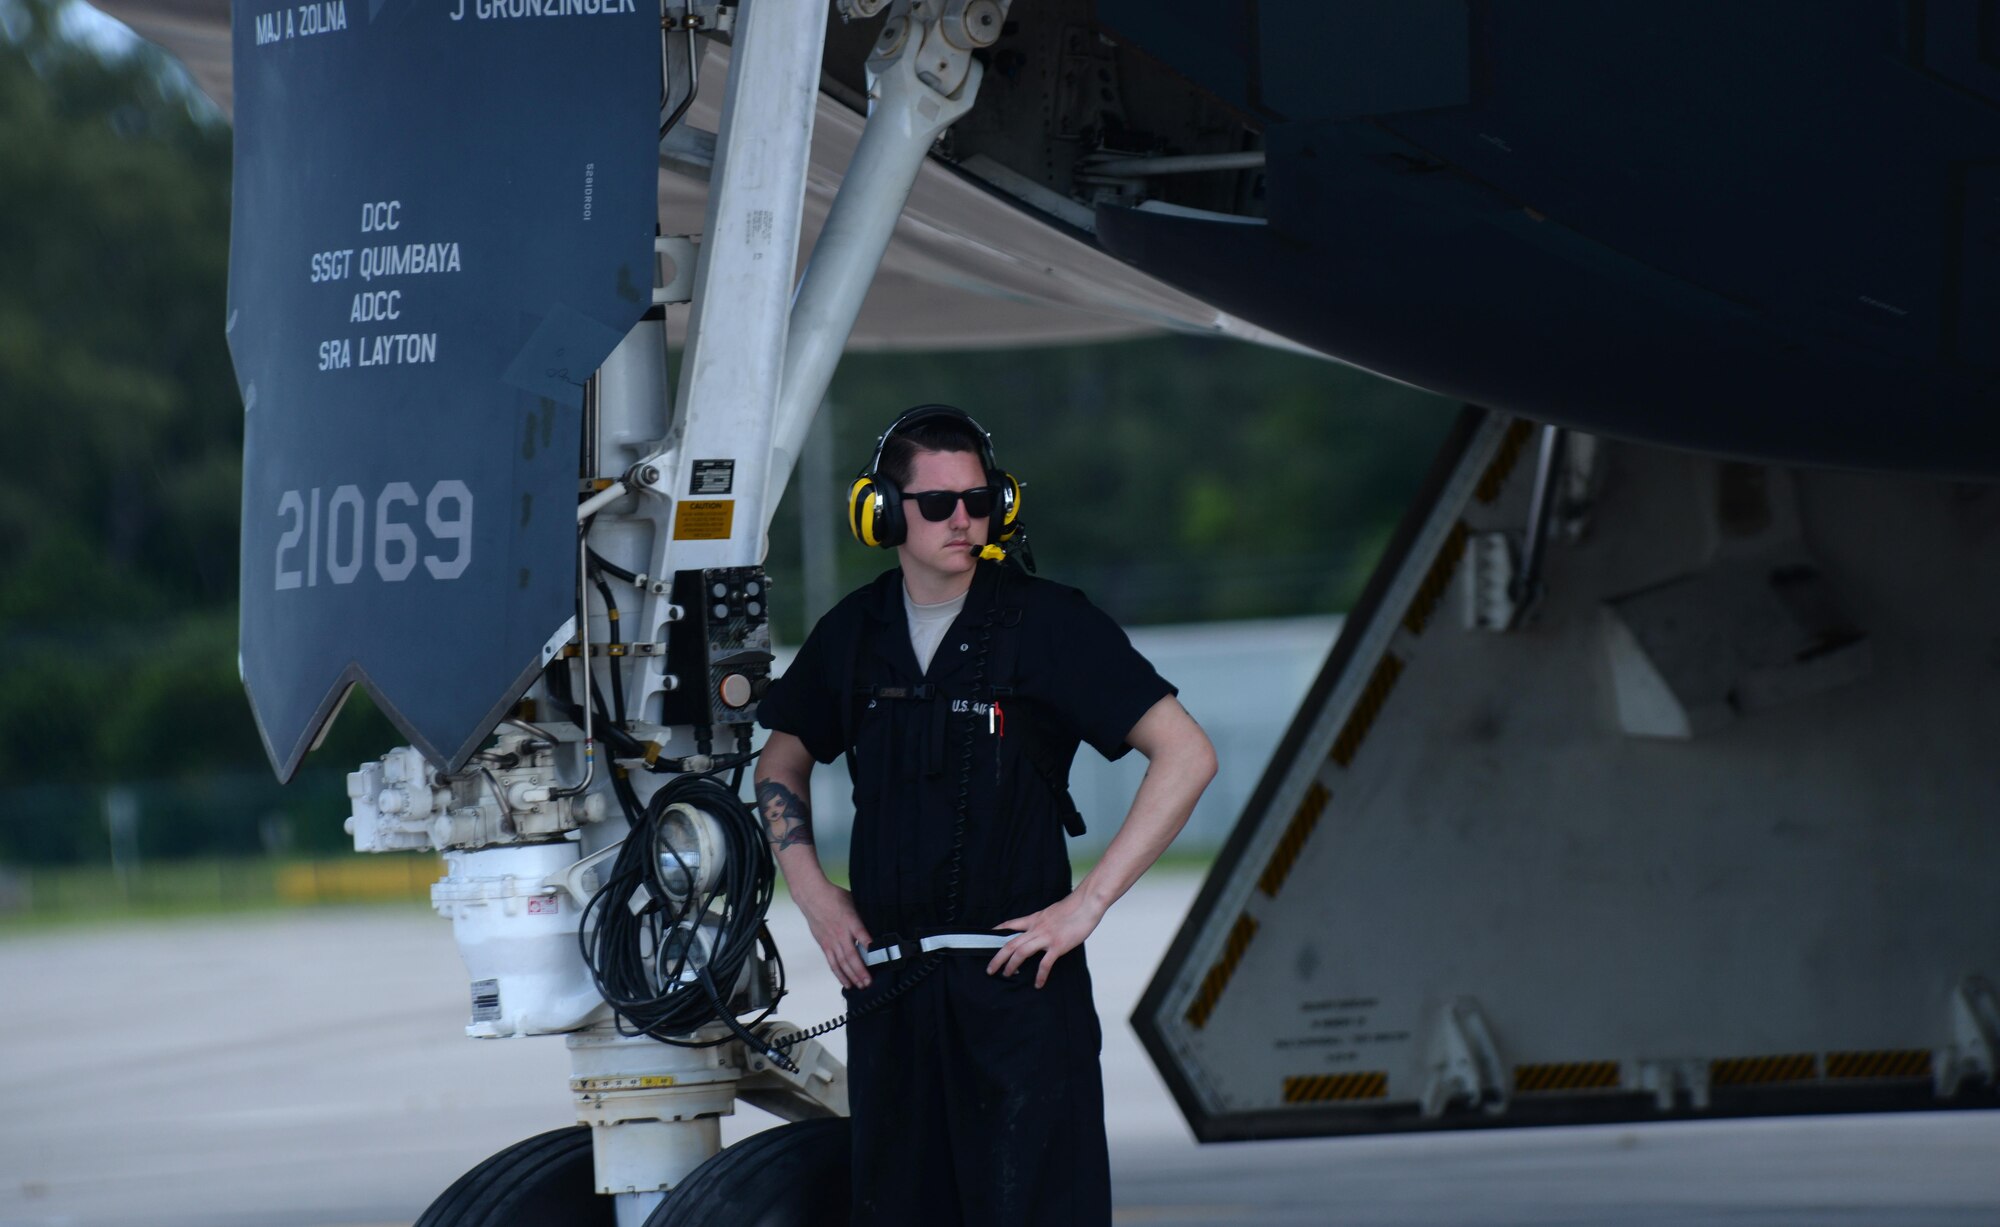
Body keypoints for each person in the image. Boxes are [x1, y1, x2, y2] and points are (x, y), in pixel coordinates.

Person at [754, 404, 1217, 1226]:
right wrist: (817, 896)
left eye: (981, 499)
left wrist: (1091, 901)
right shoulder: (851, 634)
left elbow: (1186, 753)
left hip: (1021, 993)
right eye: (938, 504)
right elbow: (780, 762)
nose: (964, 519)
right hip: (891, 993)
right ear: (885, 513)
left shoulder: (1052, 624)